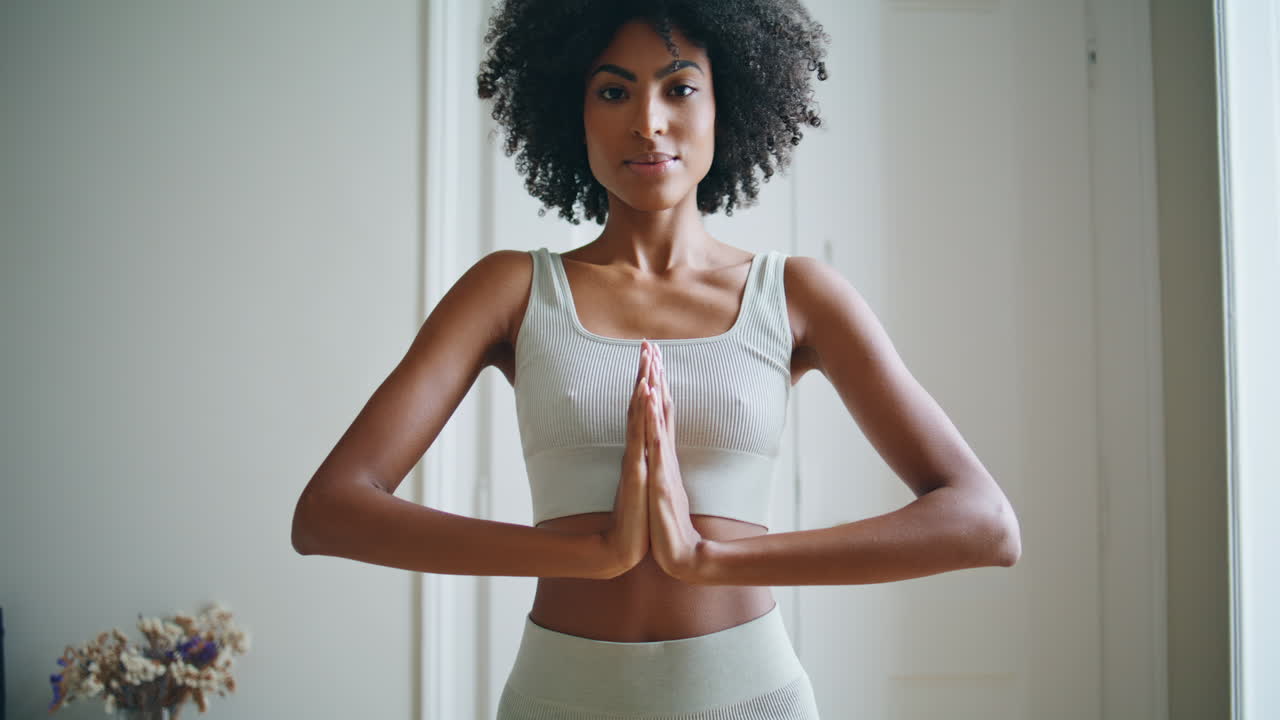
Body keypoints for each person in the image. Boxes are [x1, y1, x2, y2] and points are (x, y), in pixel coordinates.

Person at [291, 1, 1022, 718]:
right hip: (557, 699)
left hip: (752, 699)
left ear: (722, 105)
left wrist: (710, 559)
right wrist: (594, 554)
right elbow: (329, 513)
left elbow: (983, 523)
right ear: (574, 112)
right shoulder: (512, 290)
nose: (648, 121)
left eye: (679, 88)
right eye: (614, 91)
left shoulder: (795, 294)